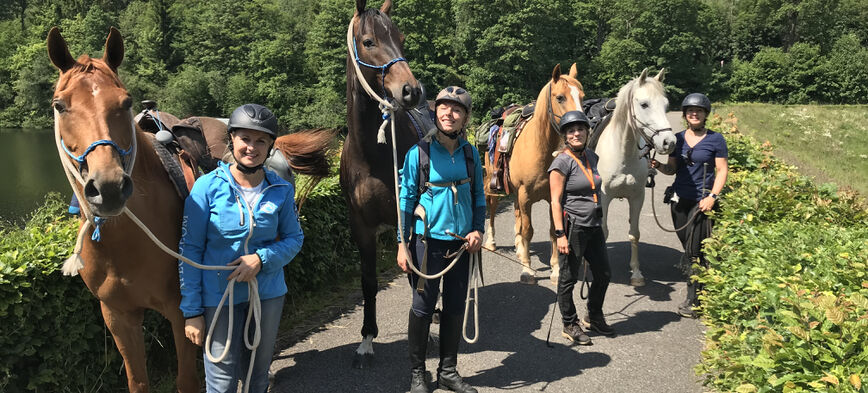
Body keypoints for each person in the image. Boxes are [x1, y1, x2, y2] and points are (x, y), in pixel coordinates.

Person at [178, 104, 304, 392]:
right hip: (218, 296)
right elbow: (190, 250)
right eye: (245, 138)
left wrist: (261, 259)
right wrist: (192, 311)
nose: (252, 147)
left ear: (271, 147)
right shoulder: (205, 188)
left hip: (268, 294)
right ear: (231, 140)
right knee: (221, 382)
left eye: (261, 141)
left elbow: (294, 239)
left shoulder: (281, 189)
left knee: (256, 377)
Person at [397, 86, 485, 393]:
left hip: (462, 245)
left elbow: (478, 197)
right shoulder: (418, 153)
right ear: (436, 113)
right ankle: (418, 374)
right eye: (444, 108)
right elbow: (406, 199)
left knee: (455, 308)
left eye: (457, 109)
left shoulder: (471, 153)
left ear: (465, 118)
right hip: (426, 245)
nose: (449, 113)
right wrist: (401, 243)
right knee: (422, 308)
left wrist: (478, 230)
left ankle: (448, 371)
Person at [651, 93, 728, 318]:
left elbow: (722, 170)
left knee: (693, 252)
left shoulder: (716, 140)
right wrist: (657, 166)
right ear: (685, 115)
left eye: (699, 111)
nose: (694, 114)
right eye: (690, 111)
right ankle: (706, 286)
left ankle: (694, 301)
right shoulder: (678, 139)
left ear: (705, 115)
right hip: (678, 201)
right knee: (689, 248)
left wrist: (713, 196)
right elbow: (672, 169)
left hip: (702, 202)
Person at [548, 110, 614, 345]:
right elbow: (555, 201)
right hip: (573, 227)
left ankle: (594, 314)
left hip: (594, 225)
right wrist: (560, 234)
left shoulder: (592, 157)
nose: (576, 133)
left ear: (587, 132)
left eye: (580, 129)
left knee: (604, 273)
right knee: (567, 279)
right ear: (565, 136)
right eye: (571, 131)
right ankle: (569, 323)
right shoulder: (561, 162)